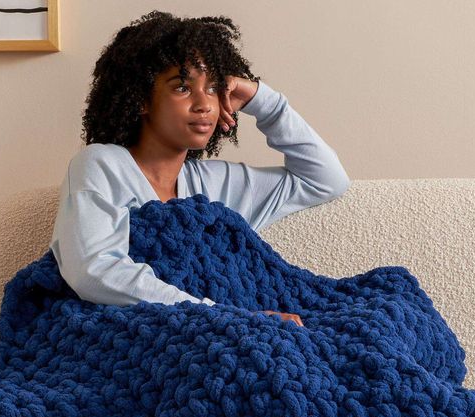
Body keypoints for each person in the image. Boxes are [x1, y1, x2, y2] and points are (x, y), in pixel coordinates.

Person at [49, 11, 351, 328]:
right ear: (141, 99)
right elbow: (93, 270)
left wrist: (261, 99)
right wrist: (222, 316)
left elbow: (325, 179)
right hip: (138, 338)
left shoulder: (215, 185)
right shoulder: (102, 165)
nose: (203, 104)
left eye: (213, 88)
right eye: (182, 87)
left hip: (214, 334)